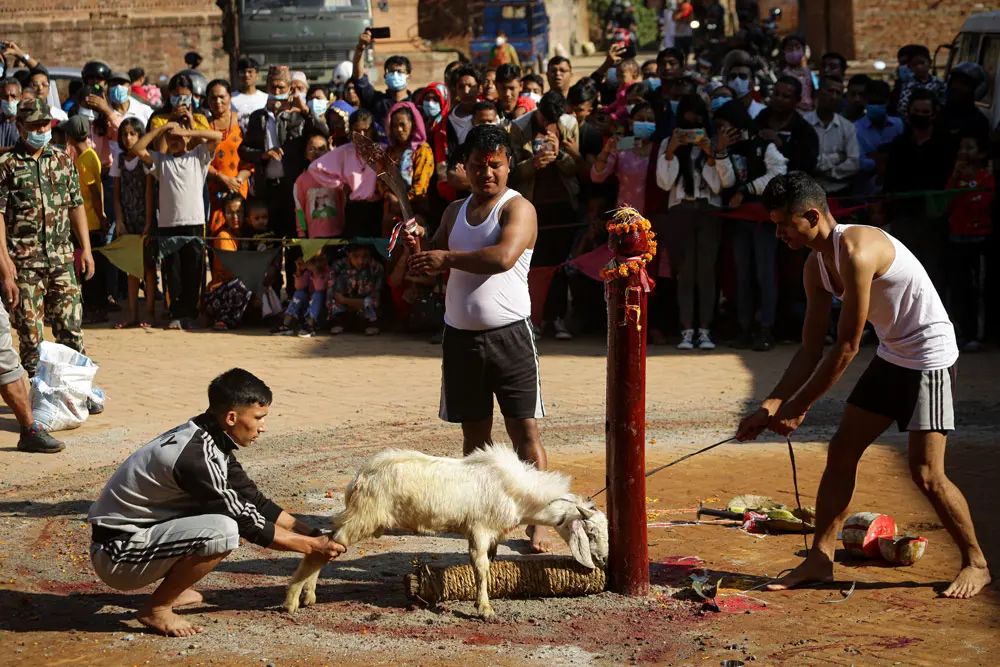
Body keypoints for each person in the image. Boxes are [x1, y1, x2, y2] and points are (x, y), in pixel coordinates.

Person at [740, 171, 990, 601]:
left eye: (783, 224)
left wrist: (798, 408)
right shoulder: (814, 266)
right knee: (842, 450)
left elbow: (847, 346)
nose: (778, 233)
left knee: (927, 473)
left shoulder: (856, 250)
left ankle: (977, 562)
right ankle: (820, 558)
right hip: (894, 354)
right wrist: (770, 405)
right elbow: (809, 349)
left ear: (813, 216)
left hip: (929, 357)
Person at [88, 369, 346, 636]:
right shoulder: (196, 458)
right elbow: (246, 521)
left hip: (136, 541)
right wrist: (311, 546)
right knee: (223, 530)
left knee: (225, 518)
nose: (263, 427)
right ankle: (157, 608)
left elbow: (253, 499)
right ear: (232, 417)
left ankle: (173, 589)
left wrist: (311, 532)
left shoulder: (211, 439)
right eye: (258, 418)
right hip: (117, 555)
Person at [405, 124, 552, 552]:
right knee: (475, 439)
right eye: (477, 166)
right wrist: (417, 249)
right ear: (464, 168)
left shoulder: (518, 208)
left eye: (495, 165)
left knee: (525, 433)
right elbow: (428, 263)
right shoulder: (453, 212)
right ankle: (482, 517)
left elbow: (503, 258)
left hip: (510, 336)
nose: (486, 173)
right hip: (460, 339)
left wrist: (445, 256)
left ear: (508, 167)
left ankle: (538, 519)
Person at [0, 99, 95, 376]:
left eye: (45, 123)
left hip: (62, 261)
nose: (42, 129)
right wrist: (5, 266)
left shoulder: (63, 160)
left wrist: (85, 250)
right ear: (19, 127)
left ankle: (77, 392)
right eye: (34, 125)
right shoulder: (7, 165)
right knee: (31, 338)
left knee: (71, 331)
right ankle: (37, 399)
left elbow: (76, 204)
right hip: (24, 264)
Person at [130, 118, 222, 330]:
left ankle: (192, 313)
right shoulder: (161, 161)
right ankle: (176, 314)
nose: (175, 141)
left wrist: (188, 130)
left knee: (194, 269)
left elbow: (218, 137)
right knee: (173, 272)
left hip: (195, 222)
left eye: (179, 139)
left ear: (187, 139)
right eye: (171, 139)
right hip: (168, 225)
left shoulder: (198, 156)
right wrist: (162, 129)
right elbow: (137, 148)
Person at [240, 65, 324, 291]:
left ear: (289, 89)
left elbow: (323, 132)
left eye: (281, 87)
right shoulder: (258, 117)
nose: (276, 90)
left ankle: (295, 293)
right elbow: (244, 150)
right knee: (271, 245)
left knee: (295, 245)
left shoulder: (298, 118)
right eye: (272, 86)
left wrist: (305, 110)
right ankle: (272, 294)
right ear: (266, 87)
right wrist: (263, 155)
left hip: (293, 191)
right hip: (268, 191)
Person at [713, 99, 788, 351]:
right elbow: (726, 182)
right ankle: (744, 329)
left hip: (763, 222)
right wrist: (721, 152)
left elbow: (778, 173)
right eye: (719, 129)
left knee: (764, 274)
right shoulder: (728, 151)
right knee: (742, 275)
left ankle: (767, 329)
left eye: (726, 127)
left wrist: (746, 190)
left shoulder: (763, 146)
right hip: (738, 222)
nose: (723, 133)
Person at [656, 94, 726, 351]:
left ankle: (705, 330)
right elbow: (664, 183)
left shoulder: (714, 144)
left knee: (707, 273)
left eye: (697, 118)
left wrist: (710, 154)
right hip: (680, 211)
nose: (692, 126)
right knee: (684, 273)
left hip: (708, 211)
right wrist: (673, 150)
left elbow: (719, 184)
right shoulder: (667, 144)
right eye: (687, 119)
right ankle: (687, 330)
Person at [509, 91, 579, 341]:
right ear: (537, 109)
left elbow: (575, 168)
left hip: (562, 204)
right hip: (532, 205)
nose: (548, 123)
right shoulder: (518, 128)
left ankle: (557, 317)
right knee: (534, 264)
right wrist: (534, 164)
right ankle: (533, 318)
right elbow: (513, 172)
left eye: (553, 120)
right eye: (544, 117)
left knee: (560, 265)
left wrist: (559, 154)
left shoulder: (569, 124)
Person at [883, 88, 956, 293]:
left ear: (934, 114)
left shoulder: (946, 143)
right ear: (909, 112)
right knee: (903, 270)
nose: (921, 116)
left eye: (926, 112)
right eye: (917, 111)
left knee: (934, 269)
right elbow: (890, 180)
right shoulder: (900, 144)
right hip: (904, 216)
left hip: (936, 218)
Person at [944, 132, 992, 352]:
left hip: (979, 240)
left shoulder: (986, 178)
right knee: (958, 287)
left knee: (977, 287)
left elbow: (982, 204)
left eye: (970, 147)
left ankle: (977, 333)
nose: (964, 152)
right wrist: (955, 179)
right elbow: (947, 204)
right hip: (956, 238)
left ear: (981, 153)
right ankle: (960, 332)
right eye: (962, 148)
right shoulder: (956, 177)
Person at [59, 115, 109, 324]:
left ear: (70, 136)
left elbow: (94, 193)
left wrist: (101, 216)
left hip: (90, 221)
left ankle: (95, 307)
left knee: (89, 267)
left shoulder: (87, 159)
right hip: (86, 220)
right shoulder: (84, 157)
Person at [111, 116, 157, 329]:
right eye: (125, 134)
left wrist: (148, 221)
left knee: (148, 267)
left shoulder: (145, 160)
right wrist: (119, 221)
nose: (128, 138)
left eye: (133, 134)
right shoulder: (119, 160)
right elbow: (117, 195)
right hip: (128, 220)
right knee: (131, 268)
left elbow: (149, 193)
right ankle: (132, 313)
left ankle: (149, 311)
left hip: (144, 218)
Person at [308, 109, 383, 238]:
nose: (362, 135)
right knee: (355, 250)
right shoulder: (345, 150)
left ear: (372, 130)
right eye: (357, 131)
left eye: (366, 130)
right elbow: (314, 168)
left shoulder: (382, 150)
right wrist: (341, 185)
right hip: (355, 210)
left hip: (378, 208)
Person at [205, 80, 252, 236]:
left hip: (240, 188)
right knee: (218, 235)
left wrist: (236, 181)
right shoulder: (204, 125)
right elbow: (201, 161)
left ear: (230, 98)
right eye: (213, 98)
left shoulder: (244, 121)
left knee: (243, 234)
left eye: (221, 97)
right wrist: (222, 178)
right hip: (215, 192)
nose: (217, 102)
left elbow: (251, 155)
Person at [592, 102, 657, 214]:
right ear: (631, 123)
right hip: (627, 218)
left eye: (650, 120)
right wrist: (606, 150)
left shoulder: (661, 149)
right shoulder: (622, 145)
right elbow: (597, 177)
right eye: (641, 119)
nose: (646, 123)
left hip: (654, 217)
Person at [204, 193, 253, 331]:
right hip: (219, 293)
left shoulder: (247, 234)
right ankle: (223, 320)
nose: (235, 217)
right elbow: (233, 271)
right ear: (224, 215)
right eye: (230, 213)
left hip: (241, 284)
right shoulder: (223, 236)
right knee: (244, 285)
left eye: (239, 212)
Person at [804, 75, 859, 195]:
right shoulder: (803, 124)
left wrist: (828, 173)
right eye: (829, 91)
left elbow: (854, 163)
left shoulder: (848, 127)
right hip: (807, 193)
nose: (833, 96)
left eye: (838, 93)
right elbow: (803, 160)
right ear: (819, 92)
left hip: (839, 192)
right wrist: (838, 157)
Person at [383, 101, 434, 228]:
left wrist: (401, 202)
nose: (399, 130)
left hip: (417, 209)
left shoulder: (423, 150)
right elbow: (382, 179)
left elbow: (420, 187)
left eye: (402, 124)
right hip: (392, 209)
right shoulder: (390, 151)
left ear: (413, 124)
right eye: (394, 126)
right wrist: (388, 195)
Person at [757, 76, 819, 174]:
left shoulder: (805, 131)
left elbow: (808, 165)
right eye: (776, 94)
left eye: (785, 96)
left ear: (797, 100)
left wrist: (781, 144)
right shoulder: (761, 119)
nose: (779, 99)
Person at [853, 79, 903, 194]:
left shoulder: (898, 124)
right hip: (867, 190)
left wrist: (876, 159)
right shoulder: (855, 128)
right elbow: (860, 163)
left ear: (888, 101)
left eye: (879, 102)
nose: (876, 106)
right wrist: (887, 161)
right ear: (865, 101)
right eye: (872, 102)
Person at [352, 29, 412, 124]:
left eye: (399, 72)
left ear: (409, 77)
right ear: (385, 76)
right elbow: (358, 78)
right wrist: (360, 48)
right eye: (391, 72)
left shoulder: (415, 103)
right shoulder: (376, 101)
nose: (395, 75)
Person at [294, 133, 343, 241]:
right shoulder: (301, 180)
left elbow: (344, 201)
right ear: (306, 154)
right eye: (312, 149)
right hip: (314, 236)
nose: (316, 152)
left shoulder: (337, 175)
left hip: (338, 233)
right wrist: (301, 233)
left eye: (321, 149)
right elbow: (299, 209)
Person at [327, 243, 384, 336]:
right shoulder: (338, 266)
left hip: (365, 306)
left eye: (365, 256)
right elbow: (334, 293)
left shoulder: (375, 267)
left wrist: (346, 300)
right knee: (331, 293)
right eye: (356, 256)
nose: (360, 261)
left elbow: (375, 298)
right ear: (348, 254)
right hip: (344, 305)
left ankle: (371, 323)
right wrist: (343, 300)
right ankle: (338, 321)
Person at [937, 62, 991, 142]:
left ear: (976, 89)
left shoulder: (978, 122)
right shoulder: (938, 113)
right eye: (954, 82)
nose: (955, 87)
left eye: (963, 84)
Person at [897, 46, 946, 117]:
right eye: (914, 64)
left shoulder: (939, 82)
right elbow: (903, 106)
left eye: (922, 63)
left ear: (930, 62)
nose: (919, 67)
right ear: (910, 66)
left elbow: (944, 101)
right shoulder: (908, 84)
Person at [722, 50, 766, 119]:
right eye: (733, 76)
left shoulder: (763, 113)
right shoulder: (721, 113)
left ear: (753, 82)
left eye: (743, 76)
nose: (737, 80)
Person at [778, 35, 814, 113]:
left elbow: (813, 91)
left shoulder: (808, 72)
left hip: (809, 112)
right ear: (784, 52)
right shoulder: (785, 73)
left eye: (798, 47)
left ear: (803, 50)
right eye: (790, 48)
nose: (794, 50)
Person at [230, 57, 268, 130]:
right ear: (238, 75)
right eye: (243, 72)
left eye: (250, 72)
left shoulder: (265, 98)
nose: (246, 75)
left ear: (257, 75)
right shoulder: (230, 99)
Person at [1, 79, 21, 149]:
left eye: (13, 96)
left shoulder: (26, 124)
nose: (9, 100)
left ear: (20, 98)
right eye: (6, 97)